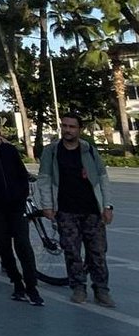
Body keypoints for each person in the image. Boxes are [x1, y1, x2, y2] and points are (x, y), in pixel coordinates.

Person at [37, 112, 114, 307]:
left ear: (79, 129)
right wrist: (47, 205)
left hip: (92, 211)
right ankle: (78, 287)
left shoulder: (89, 150)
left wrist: (107, 206)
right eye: (64, 126)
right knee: (71, 251)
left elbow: (102, 178)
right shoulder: (52, 151)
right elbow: (45, 179)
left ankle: (101, 290)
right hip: (66, 210)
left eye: (72, 127)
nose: (67, 130)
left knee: (98, 252)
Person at [0, 111, 43, 305]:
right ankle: (17, 283)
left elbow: (21, 173)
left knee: (23, 245)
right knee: (4, 247)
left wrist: (21, 194)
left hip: (15, 206)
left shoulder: (9, 150)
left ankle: (31, 286)